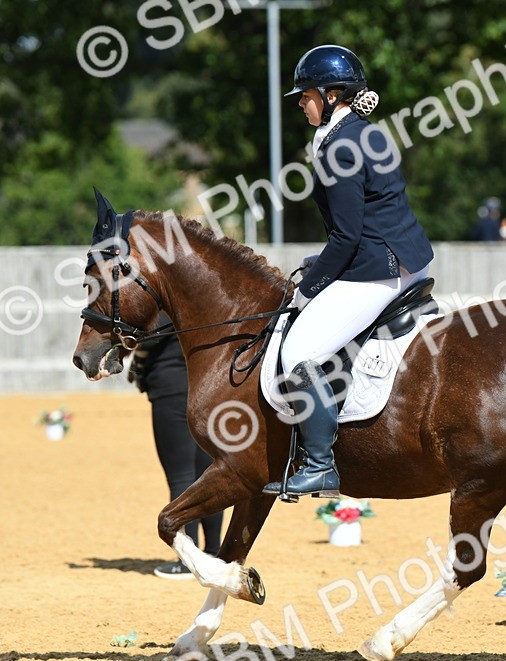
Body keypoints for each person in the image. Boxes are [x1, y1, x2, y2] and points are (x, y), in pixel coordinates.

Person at [262, 44, 434, 498]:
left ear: (333, 94)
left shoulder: (340, 146)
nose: (301, 102)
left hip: (377, 269)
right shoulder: (363, 131)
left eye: (306, 95)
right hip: (403, 258)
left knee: (299, 352)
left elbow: (346, 238)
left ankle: (319, 464)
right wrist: (317, 266)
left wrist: (310, 287)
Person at [128, 317, 223, 579]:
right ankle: (214, 550)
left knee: (180, 474)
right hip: (209, 384)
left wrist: (136, 361)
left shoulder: (161, 291)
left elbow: (151, 333)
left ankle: (188, 560)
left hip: (171, 382)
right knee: (209, 473)